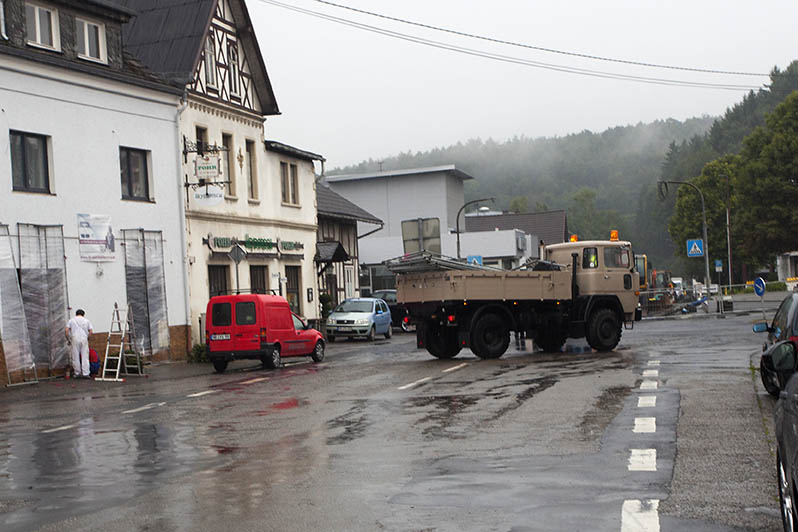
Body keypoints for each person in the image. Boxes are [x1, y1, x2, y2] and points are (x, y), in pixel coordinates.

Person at [66, 309, 93, 378]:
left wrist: (68, 339)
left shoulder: (71, 320)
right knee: (85, 356)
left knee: (75, 356)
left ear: (76, 314)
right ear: (83, 314)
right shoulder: (87, 321)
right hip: (84, 339)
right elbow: (90, 331)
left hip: (74, 338)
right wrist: (88, 338)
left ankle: (77, 373)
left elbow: (66, 330)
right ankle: (86, 373)